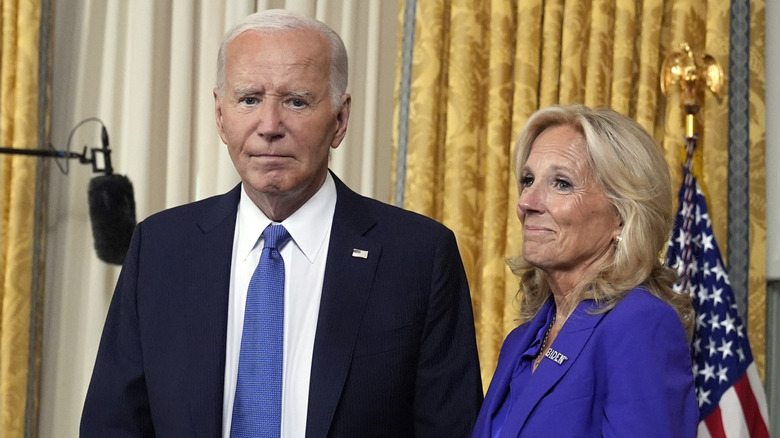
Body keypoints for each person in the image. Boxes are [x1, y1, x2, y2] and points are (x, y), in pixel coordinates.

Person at [80, 9, 482, 438]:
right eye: (249, 99)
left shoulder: (418, 256)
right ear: (220, 115)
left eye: (296, 101)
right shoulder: (161, 247)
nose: (269, 126)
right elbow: (114, 424)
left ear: (340, 120)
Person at [472, 104, 698, 437]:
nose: (526, 202)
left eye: (561, 183)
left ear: (622, 215)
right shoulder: (520, 342)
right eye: (528, 180)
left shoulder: (640, 323)